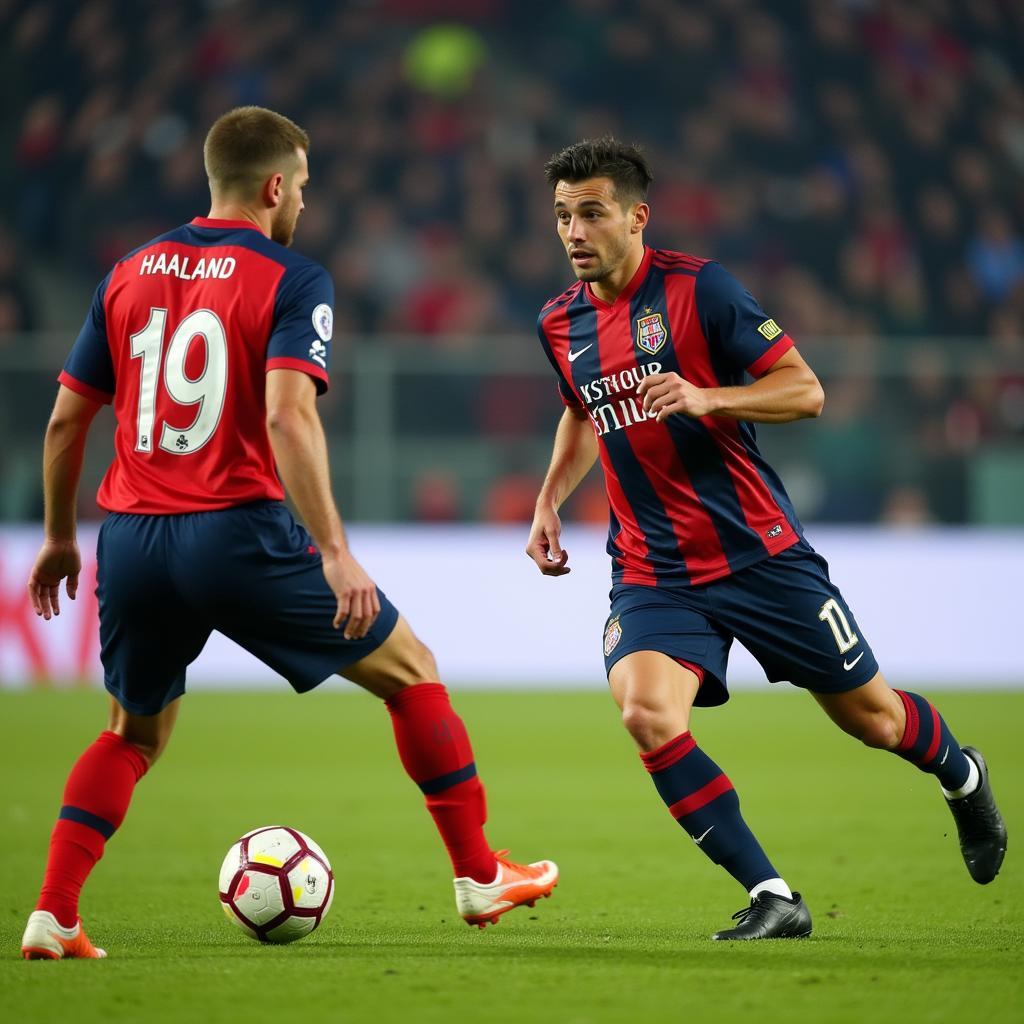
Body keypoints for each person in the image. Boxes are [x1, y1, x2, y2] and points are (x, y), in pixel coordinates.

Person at [20, 106, 557, 960]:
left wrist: (56, 536)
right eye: (301, 187)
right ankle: (478, 873)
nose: (303, 202)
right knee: (411, 671)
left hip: (130, 534)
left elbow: (62, 425)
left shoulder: (124, 273)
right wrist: (337, 551)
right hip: (235, 531)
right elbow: (287, 415)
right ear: (275, 186)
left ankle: (54, 913)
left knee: (131, 732)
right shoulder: (293, 276)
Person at [526, 136, 1005, 941]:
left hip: (759, 554)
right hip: (652, 569)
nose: (575, 231)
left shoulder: (700, 289)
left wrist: (709, 398)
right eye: (564, 216)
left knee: (876, 721)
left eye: (593, 213)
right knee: (646, 713)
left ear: (637, 217)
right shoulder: (558, 321)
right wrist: (548, 500)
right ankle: (773, 895)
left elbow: (805, 391)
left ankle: (962, 774)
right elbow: (583, 408)